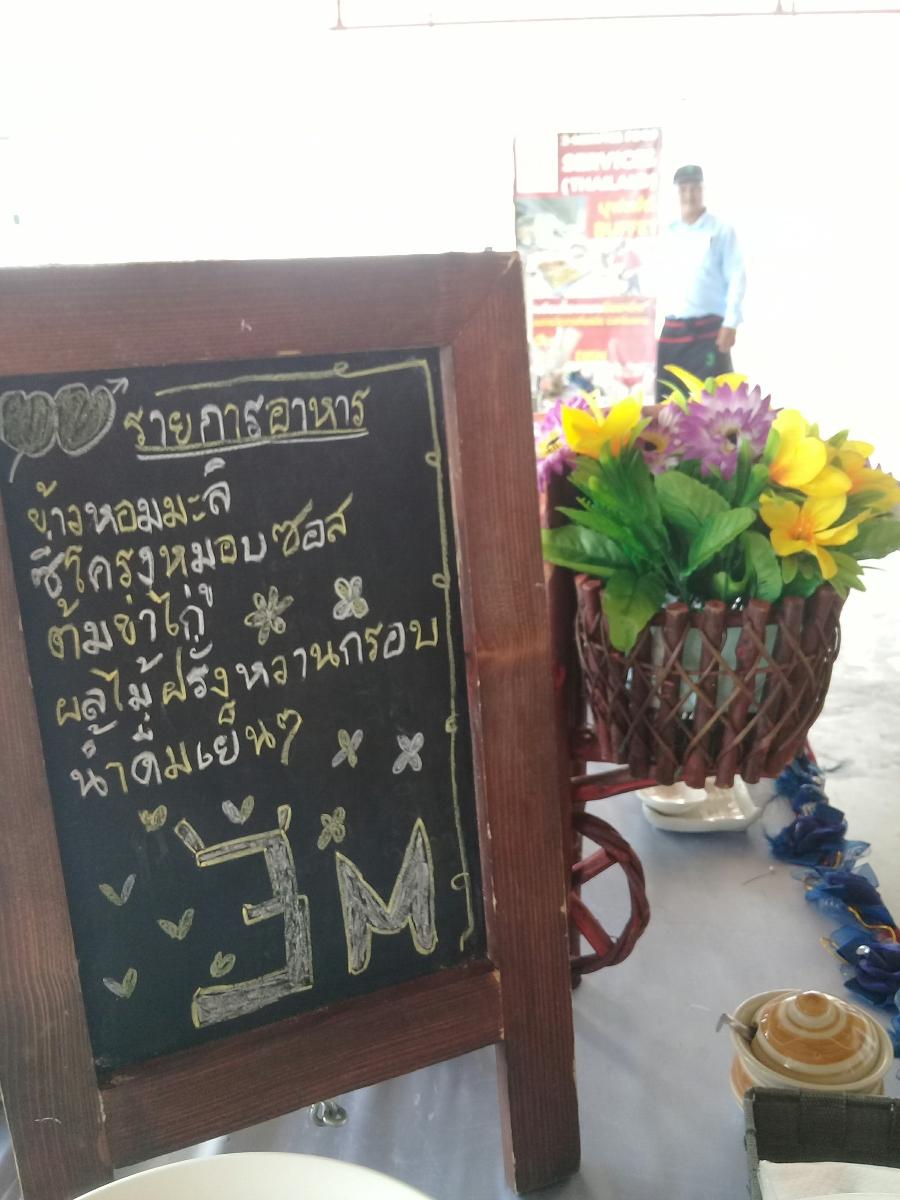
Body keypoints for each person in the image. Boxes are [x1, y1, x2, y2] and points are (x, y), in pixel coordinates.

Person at [656, 164, 746, 400]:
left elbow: (736, 276)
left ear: (703, 190)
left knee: (712, 404)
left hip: (709, 332)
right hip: (673, 330)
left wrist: (731, 322)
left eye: (694, 188)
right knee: (667, 405)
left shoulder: (720, 230)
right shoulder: (667, 232)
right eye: (683, 189)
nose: (689, 195)